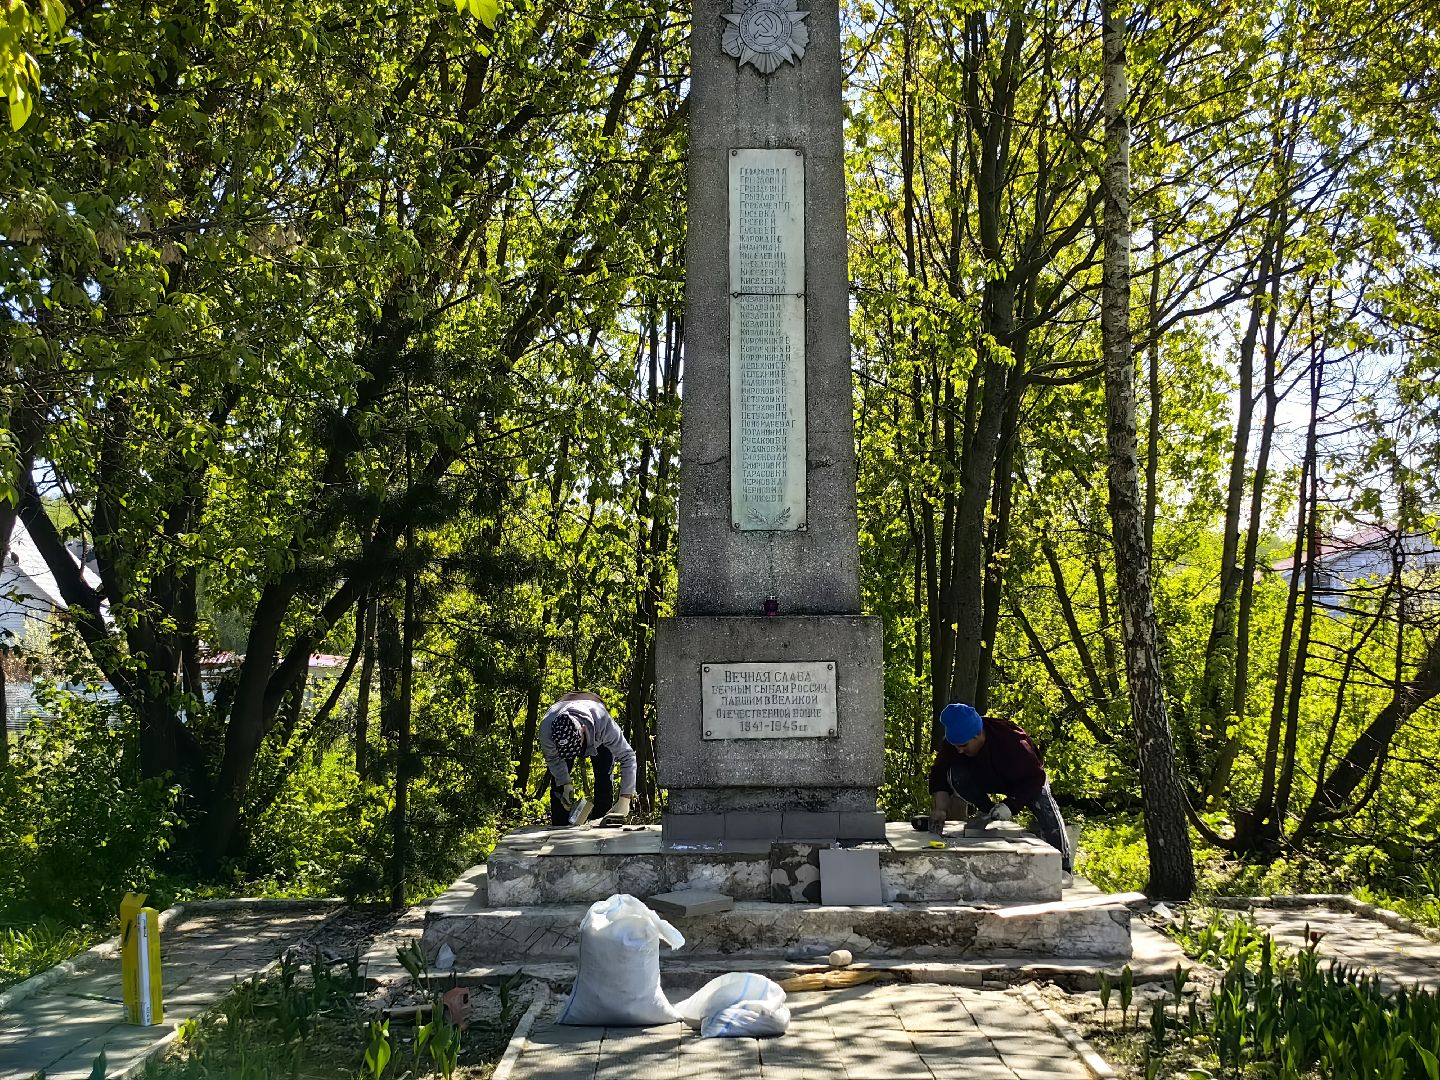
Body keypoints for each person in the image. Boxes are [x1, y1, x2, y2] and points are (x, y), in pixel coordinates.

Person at [927, 702, 1073, 876]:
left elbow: (1036, 777)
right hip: (987, 776)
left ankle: (1063, 866)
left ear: (978, 734)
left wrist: (1011, 805)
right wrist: (940, 809)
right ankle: (987, 811)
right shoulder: (955, 744)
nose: (959, 750)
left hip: (1025, 778)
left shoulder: (1012, 740)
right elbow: (940, 774)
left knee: (1044, 804)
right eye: (956, 746)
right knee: (954, 774)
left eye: (964, 745)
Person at [538, 690, 638, 827]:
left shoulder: (603, 722)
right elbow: (553, 759)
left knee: (604, 777)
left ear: (583, 730)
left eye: (578, 749)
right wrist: (565, 783)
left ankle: (604, 822)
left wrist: (625, 799)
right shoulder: (547, 730)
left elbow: (628, 756)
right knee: (559, 787)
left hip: (597, 728)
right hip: (562, 720)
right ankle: (559, 826)